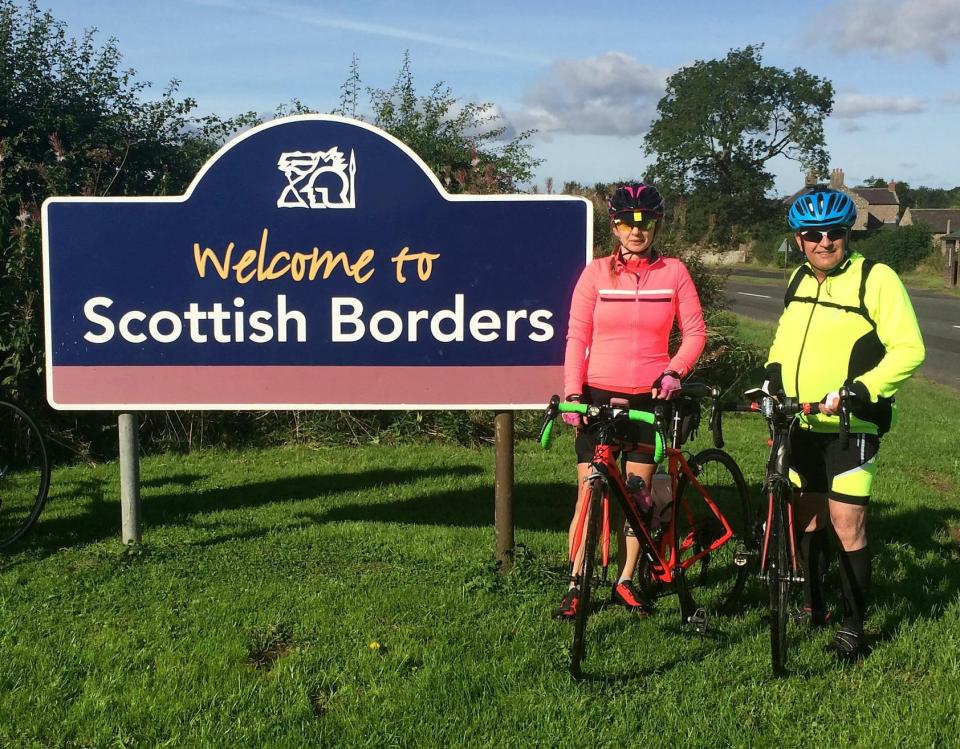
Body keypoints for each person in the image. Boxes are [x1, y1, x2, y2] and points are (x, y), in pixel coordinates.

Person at [763, 186, 925, 660]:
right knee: (808, 517)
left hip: (852, 424)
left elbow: (909, 349)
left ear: (847, 234)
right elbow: (783, 339)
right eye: (812, 234)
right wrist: (773, 374)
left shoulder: (876, 279)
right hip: (800, 422)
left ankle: (854, 625)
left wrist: (862, 388)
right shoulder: (798, 278)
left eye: (834, 232)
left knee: (846, 522)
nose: (824, 242)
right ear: (798, 240)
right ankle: (813, 606)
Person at [554, 183, 706, 620]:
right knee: (589, 493)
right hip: (599, 395)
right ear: (614, 225)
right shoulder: (597, 273)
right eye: (626, 222)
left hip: (649, 397)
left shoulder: (674, 272)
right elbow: (576, 336)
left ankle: (624, 579)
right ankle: (576, 582)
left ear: (657, 224)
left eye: (644, 222)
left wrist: (675, 371)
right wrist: (572, 393)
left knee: (637, 498)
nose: (635, 231)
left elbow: (695, 333)